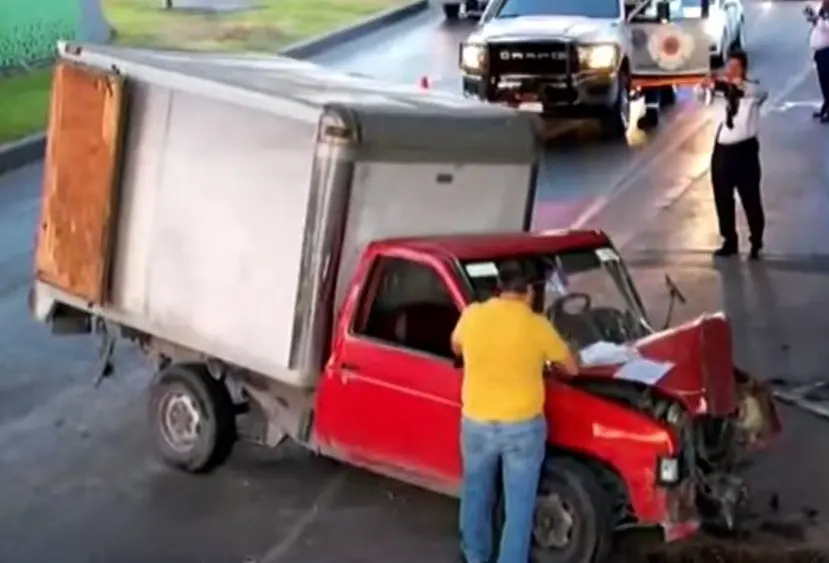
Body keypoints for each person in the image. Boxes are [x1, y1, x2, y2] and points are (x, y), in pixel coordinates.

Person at [450, 261, 580, 563]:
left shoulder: (473, 316)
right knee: (518, 507)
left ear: (499, 286)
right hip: (522, 429)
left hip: (477, 424)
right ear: (530, 292)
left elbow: (455, 346)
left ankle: (474, 555)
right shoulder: (537, 326)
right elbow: (571, 368)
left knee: (475, 494)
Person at [700, 50, 768, 260]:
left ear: (743, 70)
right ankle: (729, 240)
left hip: (745, 151)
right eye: (728, 67)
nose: (730, 71)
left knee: (750, 198)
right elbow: (700, 95)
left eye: (735, 67)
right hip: (722, 151)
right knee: (722, 197)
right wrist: (708, 83)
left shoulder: (752, 91)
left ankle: (756, 240)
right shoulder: (720, 92)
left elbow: (761, 92)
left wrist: (739, 84)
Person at [807, 0, 829, 121]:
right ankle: (826, 107)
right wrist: (813, 18)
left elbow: (826, 28)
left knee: (827, 82)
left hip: (827, 52)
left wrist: (821, 20)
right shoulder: (823, 11)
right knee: (824, 83)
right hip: (820, 53)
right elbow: (819, 25)